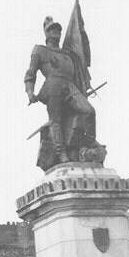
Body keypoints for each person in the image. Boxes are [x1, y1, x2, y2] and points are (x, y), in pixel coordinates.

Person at [24, 16, 96, 164]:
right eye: (52, 29)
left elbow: (78, 72)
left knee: (89, 111)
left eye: (58, 29)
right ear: (46, 33)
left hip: (69, 86)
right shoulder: (39, 50)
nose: (56, 31)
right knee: (55, 121)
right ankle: (61, 153)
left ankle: (87, 147)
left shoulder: (68, 54)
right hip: (52, 85)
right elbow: (31, 73)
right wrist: (30, 92)